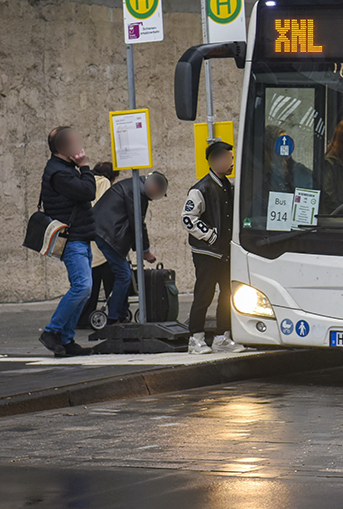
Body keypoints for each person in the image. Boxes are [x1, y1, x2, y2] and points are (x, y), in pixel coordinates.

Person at [38, 126, 97, 358]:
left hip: (80, 236)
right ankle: (52, 331)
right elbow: (88, 191)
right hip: (72, 239)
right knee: (82, 287)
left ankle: (66, 339)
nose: (79, 145)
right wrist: (84, 166)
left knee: (84, 289)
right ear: (64, 148)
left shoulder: (62, 168)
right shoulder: (60, 173)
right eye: (75, 141)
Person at [182, 141, 245, 355]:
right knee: (204, 294)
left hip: (226, 252)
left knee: (228, 295)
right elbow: (188, 218)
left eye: (232, 158)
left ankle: (222, 336)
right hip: (207, 253)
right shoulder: (201, 188)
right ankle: (195, 337)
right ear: (214, 160)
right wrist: (211, 236)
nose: (231, 163)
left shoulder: (229, 186)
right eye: (228, 158)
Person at [91, 171, 168, 323]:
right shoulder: (136, 192)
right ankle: (114, 316)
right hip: (107, 234)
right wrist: (145, 251)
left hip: (105, 232)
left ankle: (120, 312)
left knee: (124, 273)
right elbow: (138, 223)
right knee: (124, 275)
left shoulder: (134, 188)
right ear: (154, 187)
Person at [77, 162, 119, 330]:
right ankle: (115, 315)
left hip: (84, 238)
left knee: (91, 284)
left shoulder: (83, 181)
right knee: (111, 281)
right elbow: (104, 209)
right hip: (101, 241)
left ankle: (82, 318)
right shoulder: (103, 183)